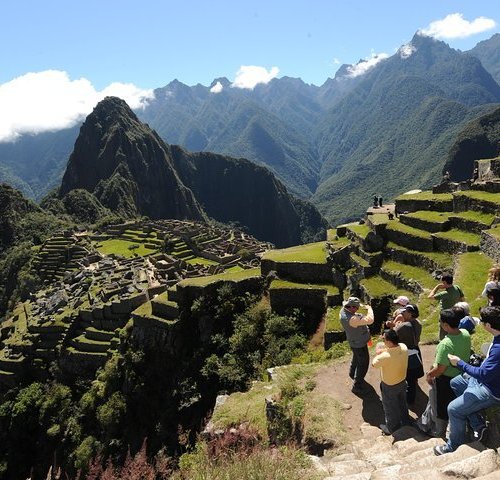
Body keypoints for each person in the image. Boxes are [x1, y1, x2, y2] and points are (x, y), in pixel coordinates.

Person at [433, 306, 500, 455]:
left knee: (453, 409)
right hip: (490, 380)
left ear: (488, 325)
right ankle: (478, 425)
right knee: (456, 383)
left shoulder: (498, 348)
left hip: (492, 389)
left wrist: (460, 363)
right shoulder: (497, 338)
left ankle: (452, 447)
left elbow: (483, 374)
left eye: (482, 321)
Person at [425, 309, 471, 436]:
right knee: (457, 404)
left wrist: (429, 375)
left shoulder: (446, 344)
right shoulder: (466, 333)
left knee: (442, 407)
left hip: (446, 380)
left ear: (445, 325)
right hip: (462, 376)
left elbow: (441, 368)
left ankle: (439, 433)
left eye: (440, 321)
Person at [372, 329, 410, 434]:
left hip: (389, 385)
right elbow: (392, 350)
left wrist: (378, 352)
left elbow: (374, 364)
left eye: (384, 339)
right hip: (402, 381)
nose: (383, 341)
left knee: (389, 406)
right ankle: (405, 420)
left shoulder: (385, 357)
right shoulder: (403, 347)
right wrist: (384, 350)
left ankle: (391, 427)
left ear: (388, 342)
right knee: (402, 402)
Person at [340, 297, 374, 394]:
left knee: (356, 358)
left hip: (353, 341)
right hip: (359, 343)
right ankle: (357, 386)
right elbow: (370, 320)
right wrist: (369, 309)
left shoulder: (343, 311)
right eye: (357, 308)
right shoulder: (353, 319)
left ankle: (352, 373)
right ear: (352, 307)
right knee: (363, 363)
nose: (358, 309)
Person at [394, 304, 423, 404]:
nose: (402, 313)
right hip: (415, 350)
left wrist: (395, 325)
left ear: (410, 314)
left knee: (406, 376)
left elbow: (393, 335)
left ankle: (408, 400)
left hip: (405, 353)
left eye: (405, 311)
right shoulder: (418, 323)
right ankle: (412, 396)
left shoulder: (403, 326)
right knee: (413, 377)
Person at [428, 274, 465, 339]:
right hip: (455, 313)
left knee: (443, 333)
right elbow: (462, 299)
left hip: (445, 315)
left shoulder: (445, 293)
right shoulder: (457, 287)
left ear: (445, 282)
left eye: (442, 282)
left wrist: (437, 287)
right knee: (454, 330)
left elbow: (430, 297)